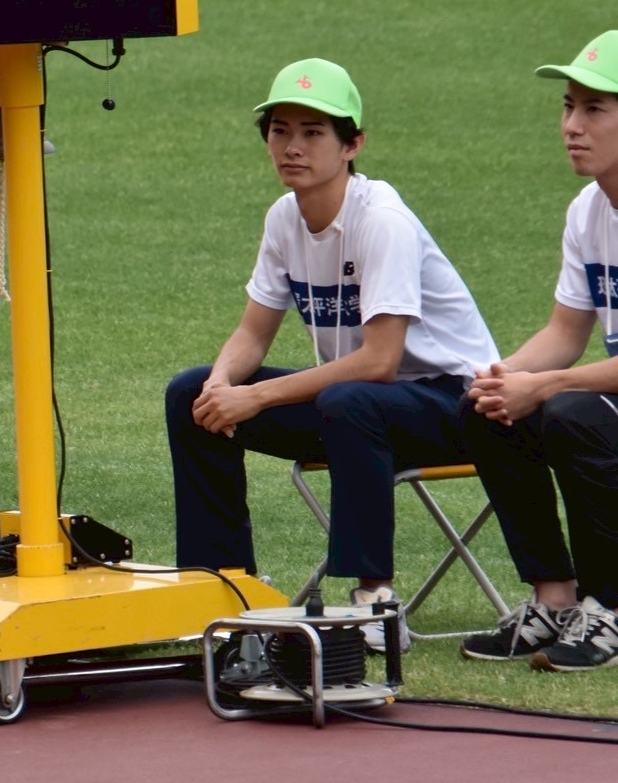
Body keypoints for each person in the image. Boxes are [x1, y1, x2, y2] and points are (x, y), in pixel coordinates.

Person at [163, 58, 499, 652]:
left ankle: (375, 601)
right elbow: (252, 333)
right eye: (280, 131)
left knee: (350, 399)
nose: (292, 147)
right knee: (191, 395)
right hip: (358, 410)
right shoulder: (283, 218)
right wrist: (222, 384)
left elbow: (380, 362)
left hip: (457, 406)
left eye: (313, 132)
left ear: (352, 145)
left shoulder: (382, 221)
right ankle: (222, 588)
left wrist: (256, 396)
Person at [459, 31, 618, 671]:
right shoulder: (589, 210)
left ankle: (609, 606)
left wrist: (548, 386)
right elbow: (565, 333)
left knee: (571, 413)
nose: (572, 126)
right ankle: (555, 599)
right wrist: (501, 377)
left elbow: (566, 376)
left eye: (594, 109)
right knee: (487, 407)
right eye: (568, 106)